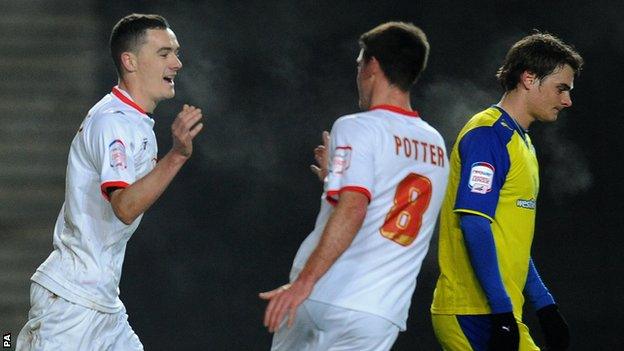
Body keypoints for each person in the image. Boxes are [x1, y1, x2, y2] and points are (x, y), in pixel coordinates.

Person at [16, 14, 203, 350]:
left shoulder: (135, 122)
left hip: (102, 303)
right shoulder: (112, 123)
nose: (176, 63)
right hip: (72, 303)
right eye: (164, 53)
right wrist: (177, 156)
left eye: (175, 52)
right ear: (129, 61)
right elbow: (125, 207)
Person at [260, 22, 449, 351]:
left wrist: (303, 283)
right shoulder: (436, 146)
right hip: (379, 313)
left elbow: (355, 207)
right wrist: (335, 180)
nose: (359, 72)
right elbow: (386, 200)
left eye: (360, 63)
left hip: (324, 294)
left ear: (373, 65)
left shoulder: (357, 127)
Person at [430, 32, 583, 351]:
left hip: (499, 312)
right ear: (529, 78)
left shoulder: (522, 143)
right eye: (561, 88)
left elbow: (509, 240)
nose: (568, 100)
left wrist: (545, 306)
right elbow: (474, 224)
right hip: (472, 313)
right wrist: (500, 312)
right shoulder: (488, 136)